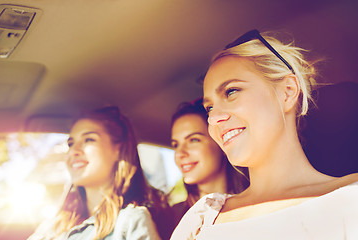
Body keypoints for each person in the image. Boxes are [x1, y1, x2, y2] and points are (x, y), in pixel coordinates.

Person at [170, 29, 358, 239]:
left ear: (287, 91)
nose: (214, 119)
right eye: (210, 108)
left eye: (231, 91)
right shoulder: (202, 216)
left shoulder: (351, 197)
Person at [28, 106, 166, 240]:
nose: (74, 150)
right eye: (70, 143)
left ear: (118, 150)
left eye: (89, 139)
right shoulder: (52, 226)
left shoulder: (130, 221)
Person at [169, 98, 249, 231]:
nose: (180, 153)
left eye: (193, 140)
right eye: (175, 145)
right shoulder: (169, 217)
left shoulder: (255, 207)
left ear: (221, 141)